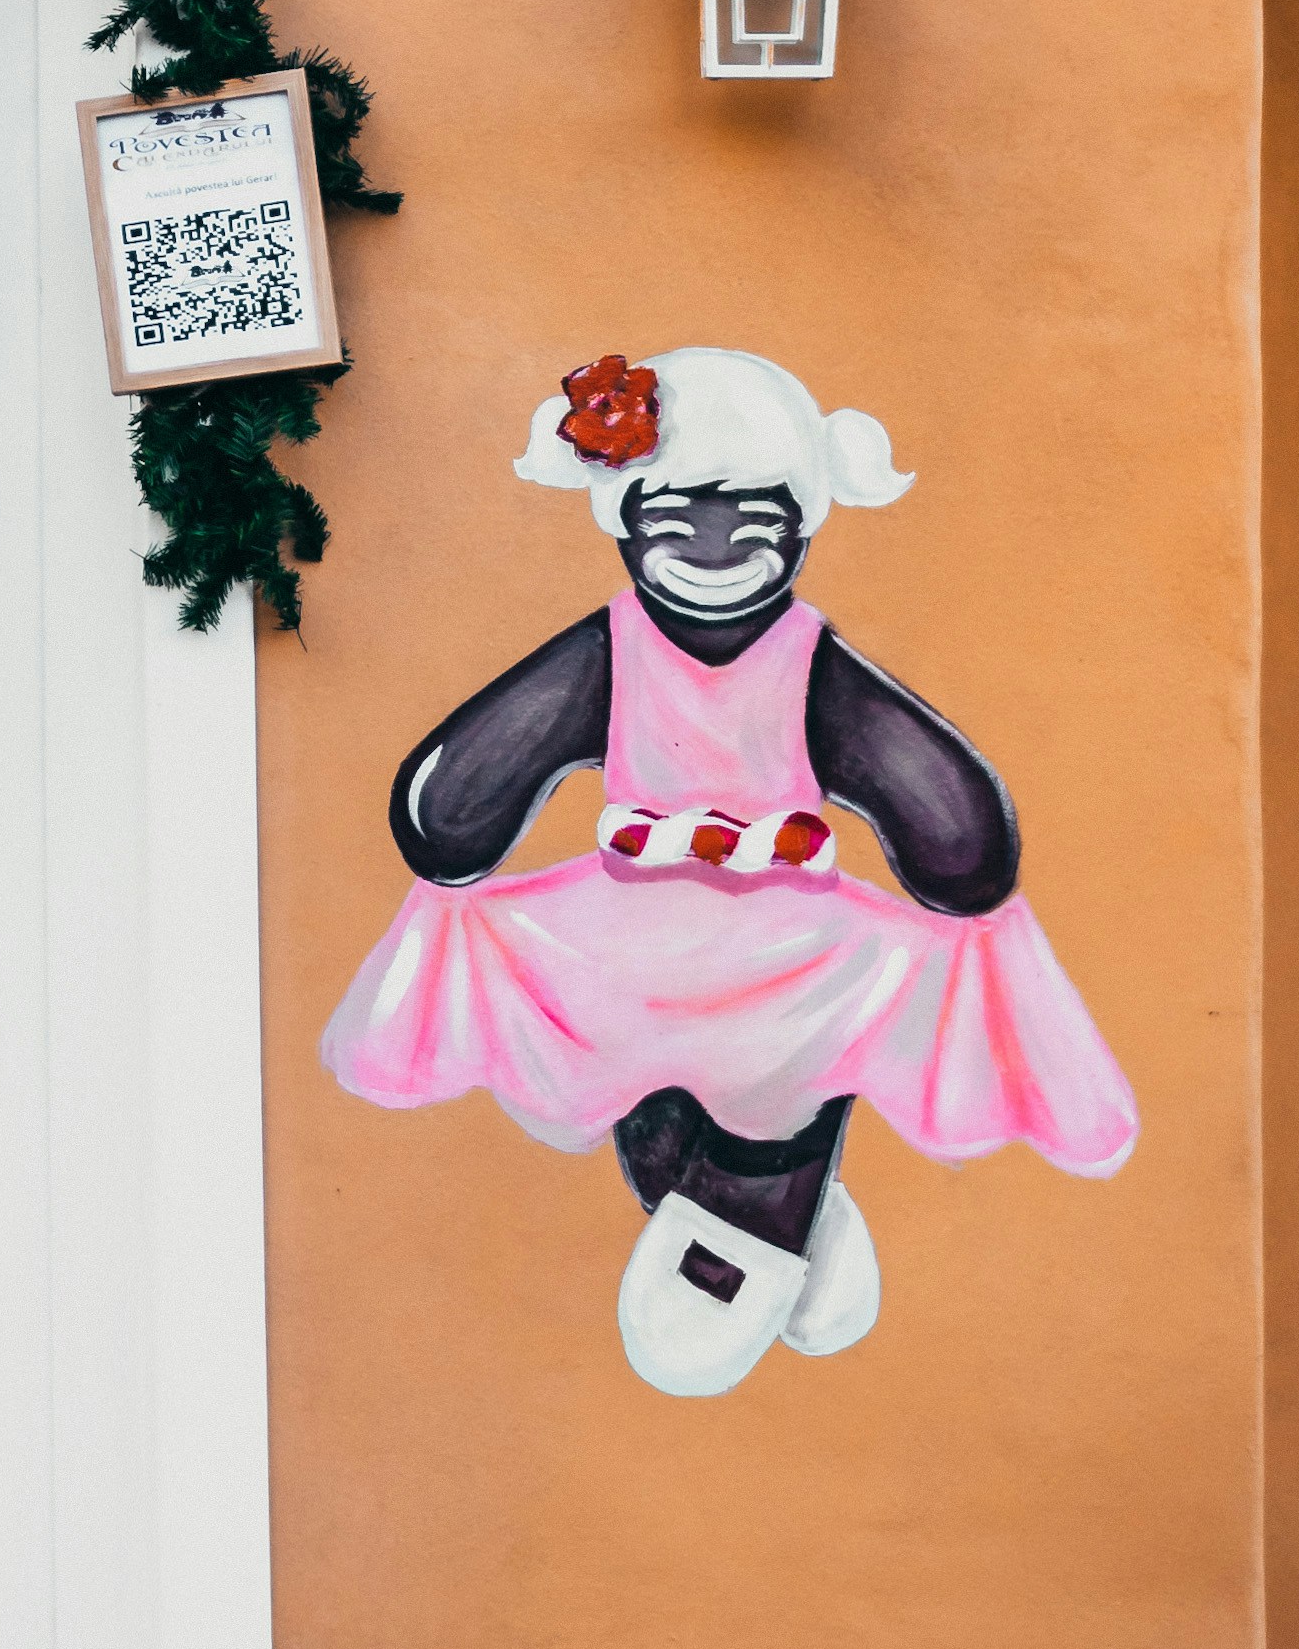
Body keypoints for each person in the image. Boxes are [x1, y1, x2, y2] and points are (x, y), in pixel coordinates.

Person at [321, 345, 1133, 1394]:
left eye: (752, 512)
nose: (714, 541)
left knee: (788, 1059)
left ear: (802, 520)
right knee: (629, 1058)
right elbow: (451, 805)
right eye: (679, 513)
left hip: (788, 948)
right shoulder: (607, 652)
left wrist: (954, 846)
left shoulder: (811, 665)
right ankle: (778, 1213)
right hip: (626, 939)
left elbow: (956, 833)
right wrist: (455, 816)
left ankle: (758, 1221)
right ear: (623, 516)